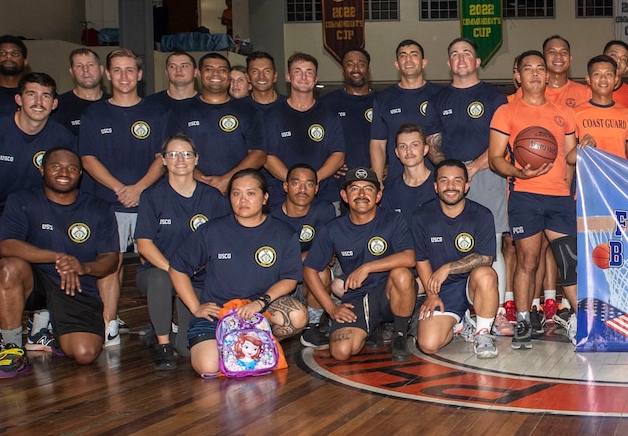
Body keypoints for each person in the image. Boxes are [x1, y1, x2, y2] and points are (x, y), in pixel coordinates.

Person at [0, 148, 122, 377]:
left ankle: (53, 330)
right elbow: (7, 246)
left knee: (85, 354)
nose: (64, 172)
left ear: (80, 174)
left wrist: (84, 267)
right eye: (56, 166)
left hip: (77, 284)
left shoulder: (99, 208)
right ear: (42, 170)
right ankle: (11, 348)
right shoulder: (22, 199)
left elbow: (110, 260)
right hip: (36, 280)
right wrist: (58, 257)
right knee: (8, 268)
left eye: (72, 168)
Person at [170, 167, 307, 376]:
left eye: (250, 193)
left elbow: (290, 279)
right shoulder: (212, 231)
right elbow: (177, 268)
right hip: (219, 315)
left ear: (265, 198)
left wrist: (260, 302)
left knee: (297, 316)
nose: (243, 199)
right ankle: (243, 347)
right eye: (236, 193)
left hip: (259, 311)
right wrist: (195, 307)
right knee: (208, 366)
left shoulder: (283, 232)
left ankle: (257, 341)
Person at [488, 49, 578, 344]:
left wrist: (586, 145)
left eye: (540, 68)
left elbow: (572, 155)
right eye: (529, 68)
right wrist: (518, 172)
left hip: (560, 196)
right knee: (527, 259)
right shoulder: (507, 111)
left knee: (570, 261)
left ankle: (585, 322)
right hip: (526, 195)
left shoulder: (563, 111)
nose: (536, 73)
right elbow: (494, 159)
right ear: (518, 76)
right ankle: (524, 320)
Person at [78, 48, 168, 341]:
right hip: (107, 202)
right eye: (117, 70)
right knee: (110, 264)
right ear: (107, 74)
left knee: (154, 263)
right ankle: (109, 324)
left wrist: (139, 188)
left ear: (140, 75)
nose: (124, 76)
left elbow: (162, 156)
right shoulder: (94, 113)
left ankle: (162, 326)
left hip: (148, 201)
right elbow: (88, 158)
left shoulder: (156, 112)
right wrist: (119, 189)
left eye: (130, 70)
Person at [133, 135, 229, 370]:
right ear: (164, 160)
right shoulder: (151, 196)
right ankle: (163, 344)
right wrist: (176, 272)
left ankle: (161, 330)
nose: (180, 159)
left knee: (188, 351)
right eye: (173, 154)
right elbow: (144, 244)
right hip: (159, 271)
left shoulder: (212, 197)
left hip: (200, 277)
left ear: (196, 159)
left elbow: (223, 240)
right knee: (160, 279)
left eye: (186, 154)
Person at [302, 168, 417, 361]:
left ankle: (400, 335)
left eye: (368, 189)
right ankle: (371, 329)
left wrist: (367, 267)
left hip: (389, 293)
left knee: (402, 274)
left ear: (378, 195)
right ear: (344, 196)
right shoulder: (333, 229)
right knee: (341, 352)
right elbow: (310, 269)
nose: (362, 194)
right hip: (358, 297)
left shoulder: (393, 219)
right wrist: (331, 308)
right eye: (354, 189)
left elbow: (409, 257)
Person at [433, 37, 511, 311]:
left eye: (467, 53)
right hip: (451, 179)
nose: (461, 58)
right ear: (449, 63)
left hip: (487, 173)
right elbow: (433, 142)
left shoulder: (493, 96)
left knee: (493, 243)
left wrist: (474, 168)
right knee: (454, 243)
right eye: (455, 54)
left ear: (477, 62)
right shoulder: (439, 98)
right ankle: (462, 306)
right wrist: (451, 172)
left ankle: (497, 310)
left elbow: (502, 140)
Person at [411, 159, 500, 358]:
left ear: (466, 186)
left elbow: (486, 258)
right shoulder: (421, 216)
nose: (450, 186)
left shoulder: (482, 215)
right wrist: (432, 295)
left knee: (486, 274)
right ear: (435, 187)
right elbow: (422, 259)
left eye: (457, 180)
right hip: (442, 289)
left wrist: (448, 268)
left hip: (471, 284)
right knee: (428, 345)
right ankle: (461, 324)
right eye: (444, 181)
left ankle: (483, 333)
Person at [0, 72, 77, 210]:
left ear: (54, 104)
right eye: (31, 94)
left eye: (46, 96)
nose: (39, 102)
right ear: (19, 99)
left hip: (43, 214)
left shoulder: (64, 138)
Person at [261, 53, 344, 207]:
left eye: (309, 72)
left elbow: (338, 155)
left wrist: (311, 182)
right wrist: (296, 184)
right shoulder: (272, 116)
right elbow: (267, 157)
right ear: (288, 76)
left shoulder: (330, 115)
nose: (304, 77)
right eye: (298, 71)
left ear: (316, 78)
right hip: (282, 198)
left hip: (324, 196)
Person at [177, 53, 265, 193]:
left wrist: (228, 180)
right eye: (209, 69)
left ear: (229, 75)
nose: (215, 74)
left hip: (237, 192)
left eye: (222, 70)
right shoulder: (182, 111)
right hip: (192, 190)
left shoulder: (249, 111)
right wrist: (198, 178)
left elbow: (258, 153)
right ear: (198, 73)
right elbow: (173, 152)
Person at [370, 40, 441, 181]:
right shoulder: (383, 99)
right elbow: (378, 144)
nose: (408, 59)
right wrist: (377, 182)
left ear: (424, 62)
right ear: (397, 64)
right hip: (397, 180)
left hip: (436, 180)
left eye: (414, 55)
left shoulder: (440, 95)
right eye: (403, 55)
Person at [571, 55, 628, 162]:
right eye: (597, 74)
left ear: (616, 80)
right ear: (588, 79)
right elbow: (569, 158)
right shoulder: (575, 113)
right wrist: (582, 148)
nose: (603, 79)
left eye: (608, 74)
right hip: (588, 177)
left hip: (617, 177)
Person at [319, 47, 376, 174]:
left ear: (368, 70)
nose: (356, 69)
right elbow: (317, 141)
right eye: (350, 64)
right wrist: (328, 164)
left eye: (361, 64)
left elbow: (394, 137)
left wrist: (389, 165)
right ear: (343, 70)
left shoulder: (381, 101)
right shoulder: (327, 103)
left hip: (377, 179)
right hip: (339, 183)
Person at [383, 123, 435, 219]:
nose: (408, 151)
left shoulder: (439, 186)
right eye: (403, 146)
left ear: (425, 149)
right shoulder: (390, 191)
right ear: (397, 152)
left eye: (414, 145)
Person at [54, 47, 104, 136]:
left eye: (90, 64)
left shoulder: (113, 103)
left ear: (101, 70)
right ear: (72, 72)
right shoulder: (58, 106)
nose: (85, 70)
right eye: (79, 66)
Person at [542, 35, 591, 116]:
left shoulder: (586, 93)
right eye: (552, 52)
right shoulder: (529, 93)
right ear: (543, 58)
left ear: (570, 58)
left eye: (563, 52)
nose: (558, 56)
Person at [604, 40, 628, 113]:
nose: (618, 61)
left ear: (626, 68)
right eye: (613, 55)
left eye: (623, 59)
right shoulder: (586, 93)